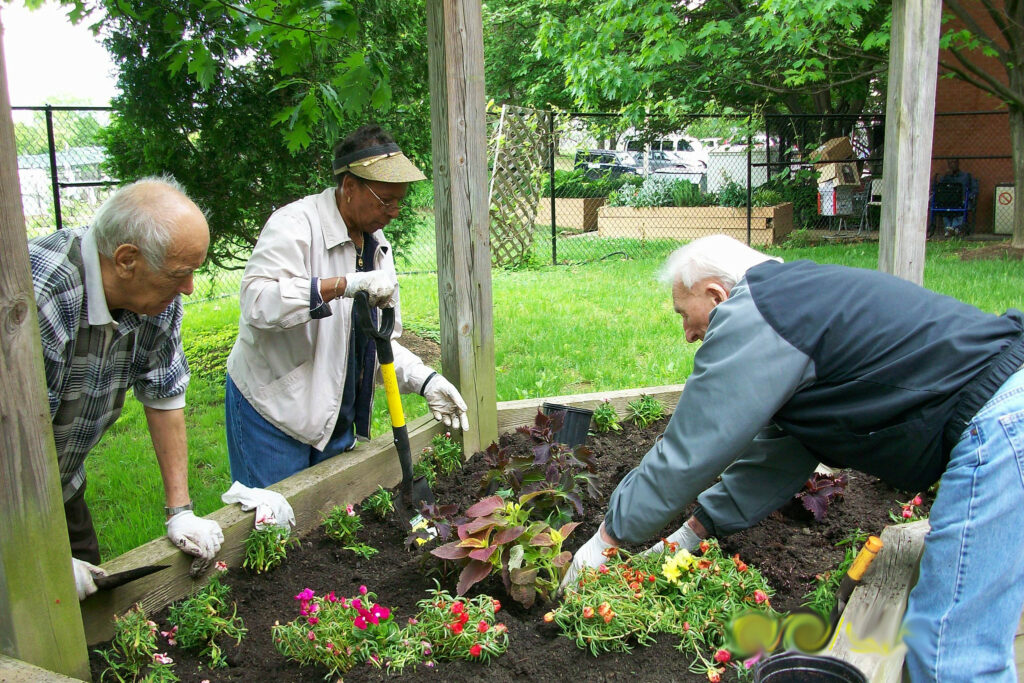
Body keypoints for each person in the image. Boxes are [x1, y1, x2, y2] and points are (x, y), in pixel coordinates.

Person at [563, 234, 1024, 681]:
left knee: (950, 654)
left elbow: (691, 449)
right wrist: (690, 534)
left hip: (1003, 423)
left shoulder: (757, 312)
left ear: (717, 294)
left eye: (684, 314)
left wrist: (607, 539)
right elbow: (786, 452)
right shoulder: (799, 311)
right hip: (1008, 410)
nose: (687, 334)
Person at [225, 124, 469, 488]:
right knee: (273, 529)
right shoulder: (294, 225)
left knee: (323, 525)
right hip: (272, 411)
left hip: (333, 410)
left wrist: (425, 379)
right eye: (386, 200)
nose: (395, 212)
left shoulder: (375, 243)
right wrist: (342, 285)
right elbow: (257, 302)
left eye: (399, 201)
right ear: (350, 187)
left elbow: (375, 340)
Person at [28, 177, 225, 600]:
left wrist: (181, 511)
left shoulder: (157, 298)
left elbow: (164, 393)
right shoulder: (37, 298)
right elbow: (13, 443)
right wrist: (35, 558)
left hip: (60, 483)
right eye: (180, 273)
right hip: (15, 480)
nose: (189, 287)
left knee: (92, 612)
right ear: (126, 259)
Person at [936, 158, 974, 236]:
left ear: (958, 164)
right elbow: (940, 188)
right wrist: (946, 176)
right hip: (949, 200)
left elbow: (974, 188)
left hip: (962, 200)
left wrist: (971, 196)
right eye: (950, 163)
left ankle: (953, 227)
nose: (952, 165)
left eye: (954, 162)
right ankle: (950, 228)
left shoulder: (966, 176)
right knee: (944, 206)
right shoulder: (946, 177)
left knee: (960, 206)